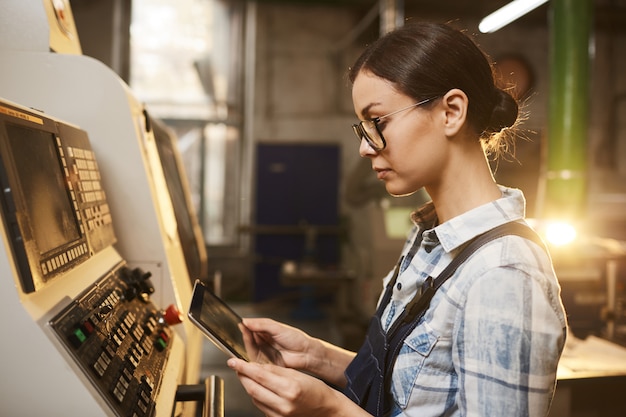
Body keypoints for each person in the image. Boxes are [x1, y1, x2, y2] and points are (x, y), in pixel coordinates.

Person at [227, 21, 567, 417]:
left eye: (378, 122)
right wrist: (316, 356)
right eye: (362, 126)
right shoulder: (432, 238)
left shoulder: (503, 275)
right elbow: (412, 386)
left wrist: (327, 410)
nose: (363, 148)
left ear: (451, 112)